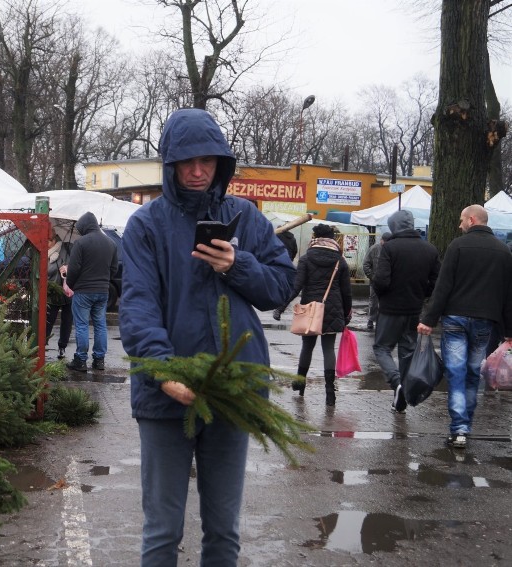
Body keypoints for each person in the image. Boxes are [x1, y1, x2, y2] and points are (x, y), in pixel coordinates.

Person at [119, 108, 295, 566]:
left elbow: (280, 286)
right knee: (162, 530)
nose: (198, 171)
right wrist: (162, 371)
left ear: (222, 163)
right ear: (170, 164)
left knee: (223, 530)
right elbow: (138, 305)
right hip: (166, 397)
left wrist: (237, 264)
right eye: (187, 161)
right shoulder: (146, 225)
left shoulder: (246, 218)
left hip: (232, 392)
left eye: (208, 160)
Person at [417, 204, 512, 449]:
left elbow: (444, 286)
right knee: (472, 373)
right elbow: (508, 294)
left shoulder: (457, 247)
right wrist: (509, 330)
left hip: (455, 319)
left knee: (456, 373)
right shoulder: (503, 251)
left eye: (461, 220)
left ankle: (459, 429)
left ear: (471, 220)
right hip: (485, 320)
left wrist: (428, 319)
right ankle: (464, 425)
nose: (459, 226)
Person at [372, 209, 440, 413]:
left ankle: (396, 383)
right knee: (407, 351)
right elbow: (436, 281)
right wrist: (422, 293)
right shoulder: (429, 249)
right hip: (414, 309)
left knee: (382, 348)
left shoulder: (390, 248)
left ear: (394, 226)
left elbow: (381, 280)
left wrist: (381, 294)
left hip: (390, 309)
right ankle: (401, 399)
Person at [278, 223, 352, 406]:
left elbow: (296, 286)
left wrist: (281, 307)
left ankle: (300, 383)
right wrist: (347, 312)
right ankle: (329, 391)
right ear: (332, 239)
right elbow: (346, 291)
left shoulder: (306, 258)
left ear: (314, 237)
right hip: (332, 308)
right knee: (328, 349)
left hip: (310, 308)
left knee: (307, 347)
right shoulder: (339, 260)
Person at [63, 211, 118, 372]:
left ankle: (80, 360)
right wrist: (103, 281)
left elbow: (73, 269)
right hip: (102, 291)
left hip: (83, 292)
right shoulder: (111, 243)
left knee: (82, 325)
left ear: (85, 227)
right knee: (100, 324)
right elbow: (113, 269)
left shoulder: (80, 244)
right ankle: (99, 360)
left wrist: (72, 285)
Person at [46, 234, 74, 360]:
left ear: (54, 239)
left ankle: (62, 347)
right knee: (48, 320)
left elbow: (77, 265)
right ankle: (43, 345)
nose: (46, 243)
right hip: (52, 291)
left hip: (67, 290)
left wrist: (68, 267)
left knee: (67, 321)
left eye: (48, 240)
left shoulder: (68, 248)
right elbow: (46, 271)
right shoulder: (44, 253)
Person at [362, 232, 391, 331]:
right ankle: (371, 320)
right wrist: (372, 277)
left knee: (386, 302)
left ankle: (383, 321)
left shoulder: (392, 250)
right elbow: (366, 264)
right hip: (375, 282)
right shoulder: (374, 249)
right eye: (385, 241)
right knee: (373, 301)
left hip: (388, 282)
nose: (386, 244)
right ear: (381, 240)